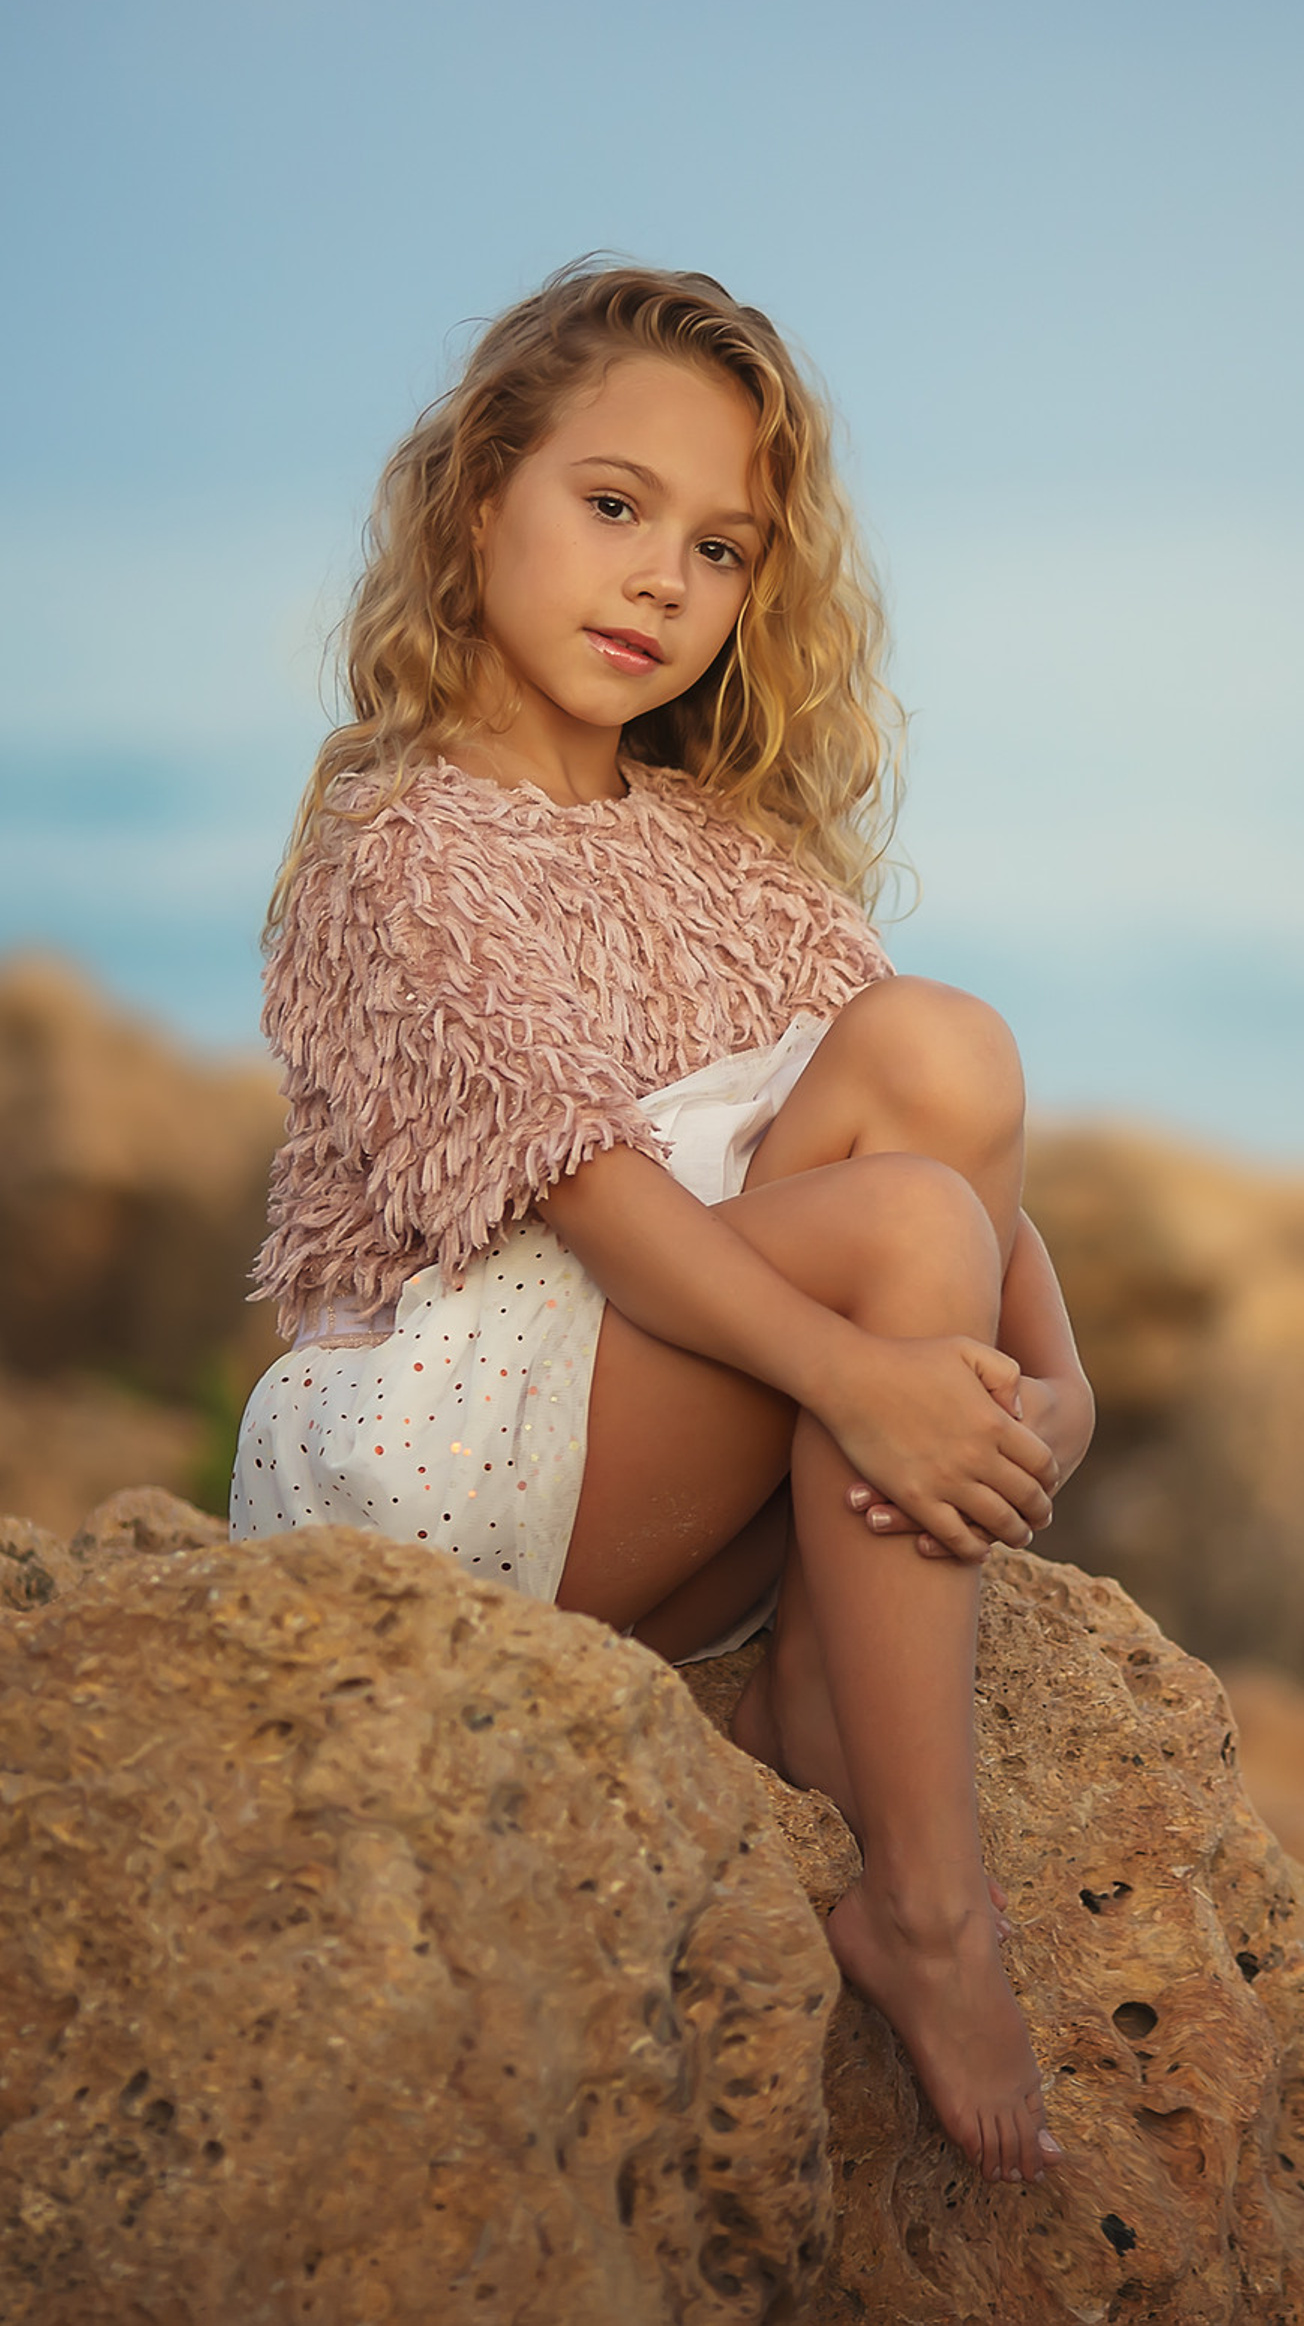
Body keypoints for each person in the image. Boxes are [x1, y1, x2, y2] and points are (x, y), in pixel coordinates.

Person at [230, 261, 1092, 2188]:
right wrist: (872, 1377)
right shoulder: (399, 845)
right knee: (890, 1248)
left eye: (718, 549)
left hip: (654, 1436)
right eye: (612, 508)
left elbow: (951, 1147)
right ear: (478, 503)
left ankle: (801, 1678)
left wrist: (1060, 1385)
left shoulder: (726, 858)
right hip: (446, 1458)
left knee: (938, 1046)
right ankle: (931, 1915)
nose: (659, 583)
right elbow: (598, 1202)